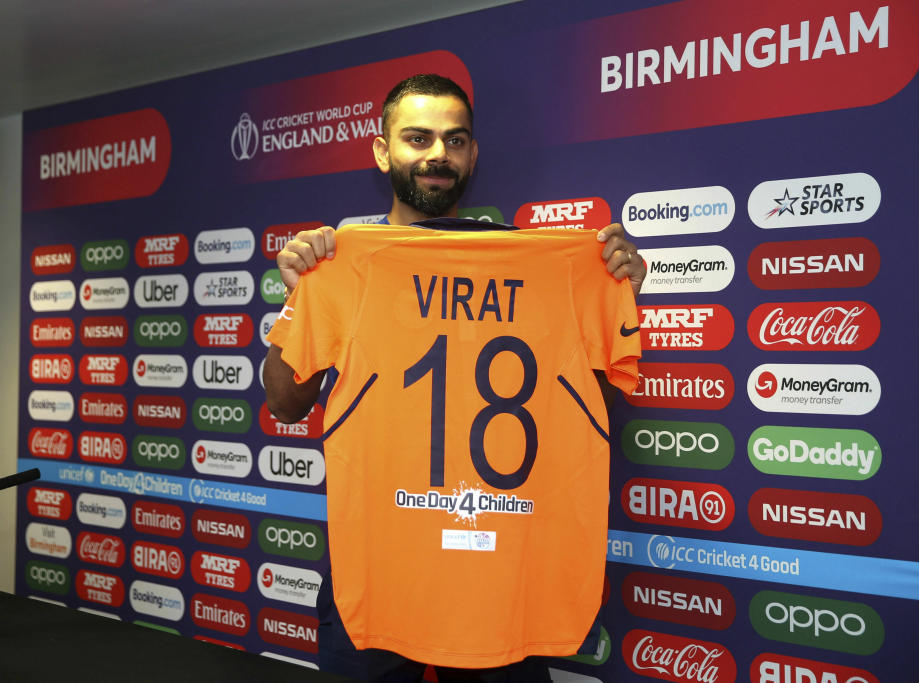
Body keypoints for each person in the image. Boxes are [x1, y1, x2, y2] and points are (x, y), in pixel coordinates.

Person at [263, 74, 646, 683]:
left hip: (502, 570)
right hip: (381, 562)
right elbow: (285, 403)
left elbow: (590, 406)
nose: (438, 154)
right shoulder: (343, 260)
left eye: (455, 140)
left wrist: (616, 293)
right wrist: (300, 299)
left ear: (473, 154)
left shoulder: (549, 265)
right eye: (418, 138)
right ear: (382, 151)